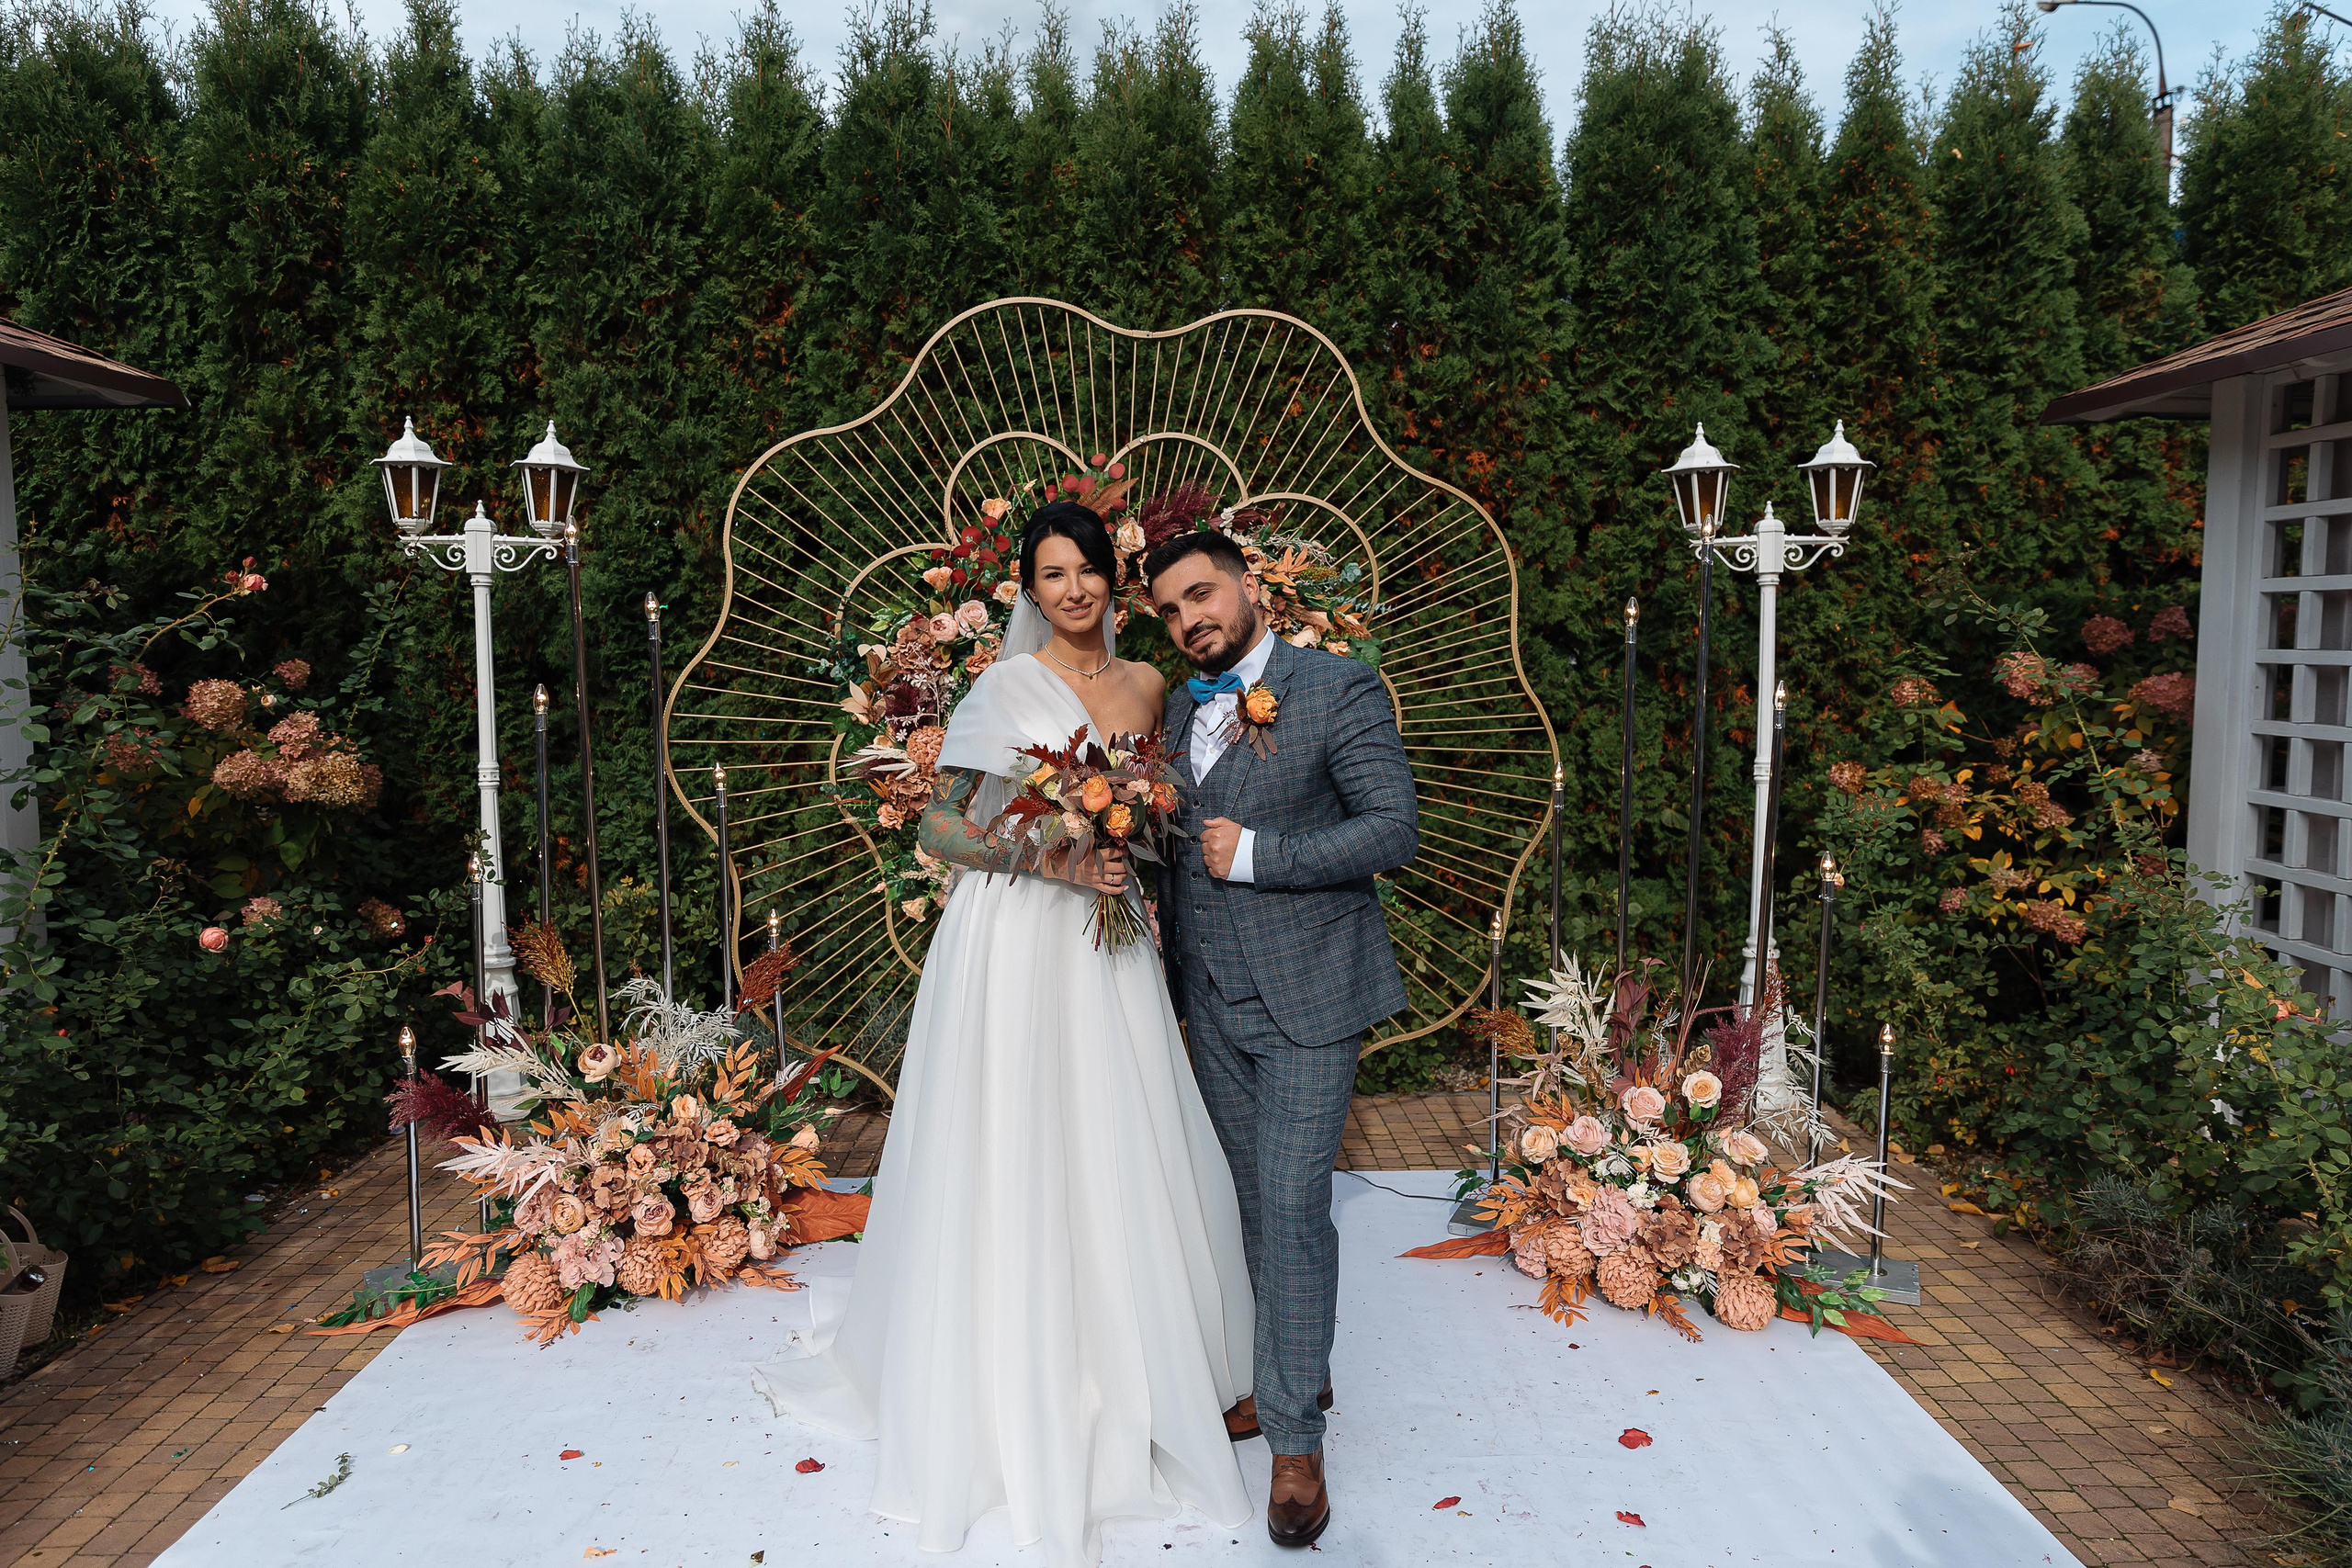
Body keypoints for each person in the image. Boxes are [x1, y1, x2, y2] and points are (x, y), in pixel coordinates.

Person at [752, 502, 1256, 1568]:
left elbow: (1156, 809)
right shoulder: (998, 688)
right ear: (1029, 590)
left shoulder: (1148, 687)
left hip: (1106, 945)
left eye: (1087, 572)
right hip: (1012, 937)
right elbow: (943, 825)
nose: (1072, 590)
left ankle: (1130, 1354)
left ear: (1113, 584)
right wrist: (1051, 856)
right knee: (1011, 1133)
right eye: (1051, 574)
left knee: (1115, 1131)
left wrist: (1125, 830)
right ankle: (999, 1355)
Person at [1144, 528, 1419, 1550]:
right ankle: (1286, 1370)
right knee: (1254, 1199)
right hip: (1211, 998)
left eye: (1203, 595)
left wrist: (1257, 854)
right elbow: (1174, 842)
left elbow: (1393, 827)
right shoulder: (1178, 707)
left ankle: (1295, 1445)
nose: (1190, 621)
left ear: (1249, 587)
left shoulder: (1336, 688)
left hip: (1310, 995)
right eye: (1171, 611)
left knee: (1297, 1203)